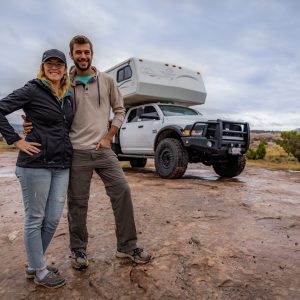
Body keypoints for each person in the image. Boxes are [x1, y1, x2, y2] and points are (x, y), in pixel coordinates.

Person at [66, 35, 152, 269]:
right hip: (76, 152)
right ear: (71, 54)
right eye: (78, 52)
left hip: (103, 150)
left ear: (92, 53)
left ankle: (127, 246)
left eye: (86, 52)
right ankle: (79, 251)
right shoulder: (65, 83)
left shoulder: (106, 81)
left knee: (122, 191)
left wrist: (108, 137)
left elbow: (120, 110)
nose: (82, 56)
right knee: (77, 202)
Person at [0, 49, 73, 288]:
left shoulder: (67, 96)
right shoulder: (32, 89)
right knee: (35, 218)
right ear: (43, 67)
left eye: (59, 64)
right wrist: (16, 140)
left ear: (65, 68)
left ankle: (34, 262)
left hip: (61, 165)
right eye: (49, 63)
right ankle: (39, 271)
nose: (54, 67)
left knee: (52, 219)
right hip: (35, 165)